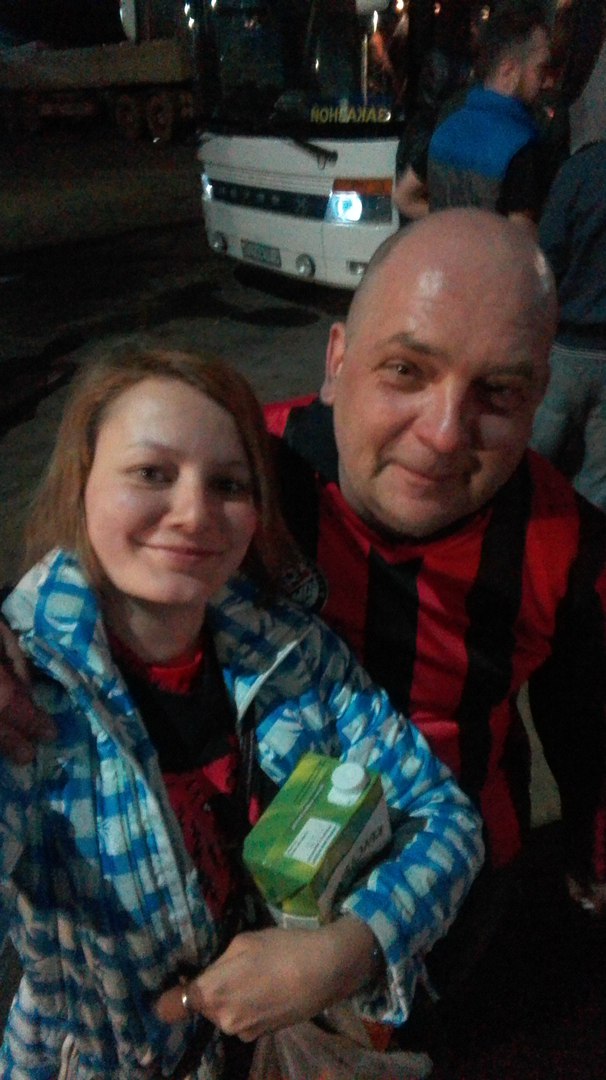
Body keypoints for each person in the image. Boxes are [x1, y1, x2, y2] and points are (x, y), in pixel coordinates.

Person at [0, 345, 483, 1078]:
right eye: (151, 473)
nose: (194, 513)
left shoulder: (289, 650)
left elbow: (446, 819)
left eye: (227, 483)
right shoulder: (25, 701)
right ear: (81, 484)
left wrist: (345, 952)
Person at [263, 208, 606, 925]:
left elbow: (591, 736)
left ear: (537, 399)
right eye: (406, 370)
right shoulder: (238, 476)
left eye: (498, 391)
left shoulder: (569, 545)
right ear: (336, 363)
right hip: (242, 887)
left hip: (462, 894)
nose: (446, 434)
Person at [393, 2, 551, 228]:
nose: (546, 81)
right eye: (540, 69)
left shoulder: (447, 129)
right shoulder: (521, 147)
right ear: (509, 70)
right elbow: (522, 237)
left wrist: (455, 221)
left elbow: (403, 198)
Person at [530, 138, 606, 513]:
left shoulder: (583, 169)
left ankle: (524, 532)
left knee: (532, 458)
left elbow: (549, 255)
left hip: (567, 348)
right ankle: (584, 542)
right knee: (598, 481)